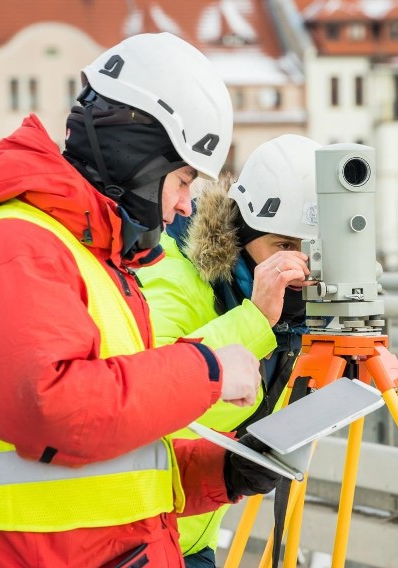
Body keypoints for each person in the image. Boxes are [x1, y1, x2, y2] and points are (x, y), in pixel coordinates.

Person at [0, 32, 282, 568]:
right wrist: (207, 370)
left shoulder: (94, 262)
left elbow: (115, 468)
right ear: (137, 157)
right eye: (182, 180)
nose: (185, 205)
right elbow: (53, 411)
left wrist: (224, 472)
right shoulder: (15, 249)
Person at [138, 134, 322, 567]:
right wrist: (257, 319)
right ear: (243, 232)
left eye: (310, 248)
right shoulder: (173, 273)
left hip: (194, 533)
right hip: (147, 539)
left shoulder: (296, 307)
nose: (299, 264)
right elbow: (149, 401)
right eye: (283, 246)